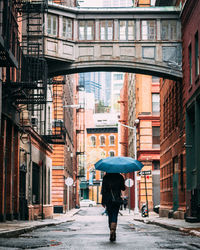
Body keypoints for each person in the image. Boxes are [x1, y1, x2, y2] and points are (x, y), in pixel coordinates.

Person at [101, 173, 125, 242]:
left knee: (110, 215)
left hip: (108, 200)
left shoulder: (106, 177)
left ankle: (111, 230)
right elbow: (123, 188)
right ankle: (113, 230)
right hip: (117, 199)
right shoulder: (119, 176)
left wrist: (103, 202)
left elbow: (103, 191)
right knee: (115, 215)